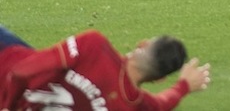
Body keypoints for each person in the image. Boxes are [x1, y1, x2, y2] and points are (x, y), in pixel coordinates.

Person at [0, 24, 210, 109]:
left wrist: (8, 104)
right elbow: (163, 103)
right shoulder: (133, 105)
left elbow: (20, 72)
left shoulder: (95, 46)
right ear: (159, 79)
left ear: (142, 44)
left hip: (6, 59)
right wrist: (184, 86)